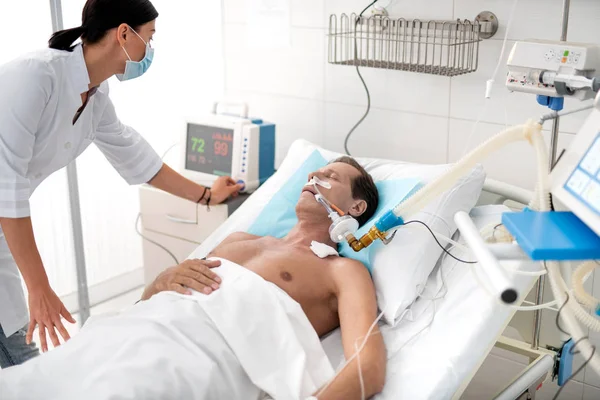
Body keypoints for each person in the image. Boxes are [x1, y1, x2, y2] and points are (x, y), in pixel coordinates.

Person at [0, 157, 387, 399]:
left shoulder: (341, 271)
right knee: (39, 379)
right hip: (140, 329)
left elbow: (367, 367)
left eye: (330, 176)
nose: (314, 176)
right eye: (315, 170)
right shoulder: (239, 239)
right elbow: (151, 301)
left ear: (355, 207)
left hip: (204, 352)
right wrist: (160, 282)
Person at [0, 0, 242, 368]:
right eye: (150, 37)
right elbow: (7, 188)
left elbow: (134, 155)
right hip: (6, 214)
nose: (150, 51)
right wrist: (39, 288)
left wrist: (208, 196)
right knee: (21, 355)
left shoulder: (94, 96)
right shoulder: (34, 78)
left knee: (20, 353)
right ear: (124, 34)